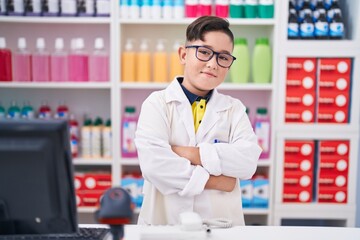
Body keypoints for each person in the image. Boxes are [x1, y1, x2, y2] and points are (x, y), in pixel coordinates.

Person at [134, 16, 262, 226]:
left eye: (223, 57)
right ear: (183, 54)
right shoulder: (157, 104)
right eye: (204, 52)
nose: (213, 64)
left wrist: (189, 153)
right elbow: (155, 166)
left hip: (222, 227)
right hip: (165, 227)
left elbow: (248, 163)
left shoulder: (234, 109)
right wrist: (219, 181)